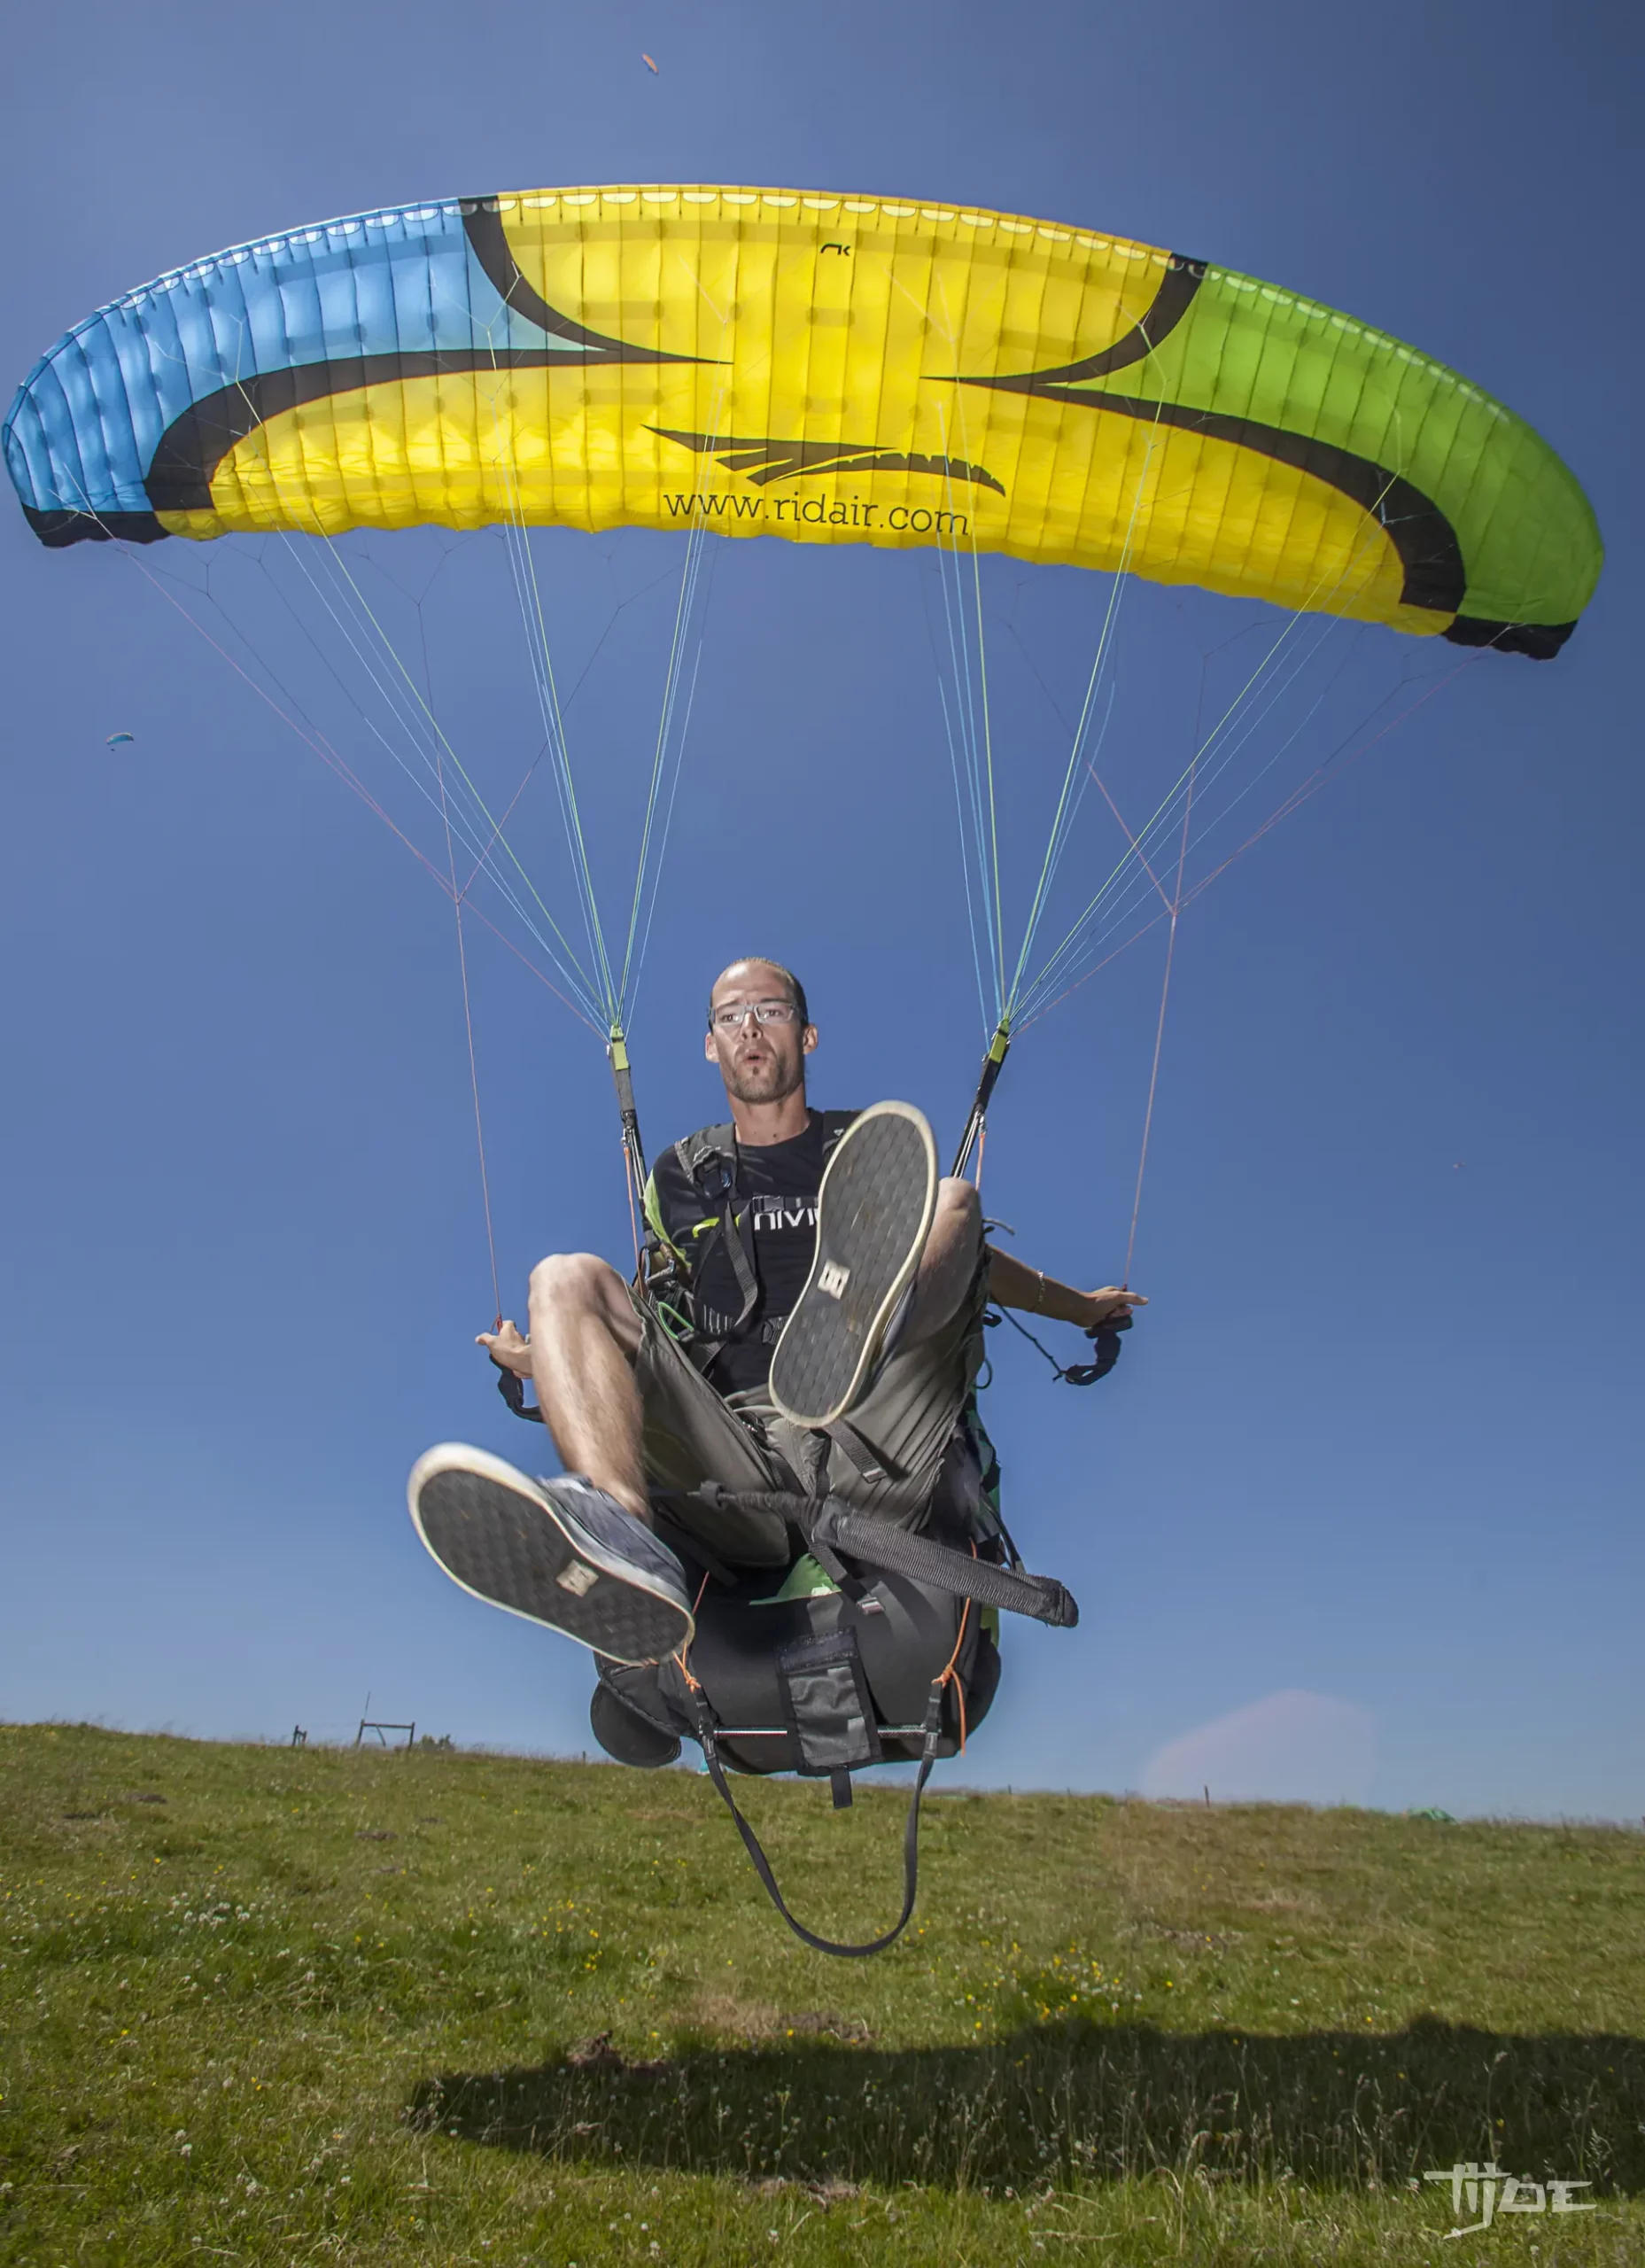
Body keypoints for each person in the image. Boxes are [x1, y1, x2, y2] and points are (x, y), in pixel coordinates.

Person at [407, 957, 1144, 1667]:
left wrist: (1078, 1307)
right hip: (736, 1459)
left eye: (771, 1010)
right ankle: (618, 1531)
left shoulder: (873, 1148)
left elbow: (971, 1259)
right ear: (709, 1044)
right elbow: (651, 1308)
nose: (750, 1028)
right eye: (731, 1016)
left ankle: (861, 1333)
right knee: (563, 1278)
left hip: (876, 1432)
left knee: (952, 1203)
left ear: (807, 1034)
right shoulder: (680, 1175)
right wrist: (546, 1355)